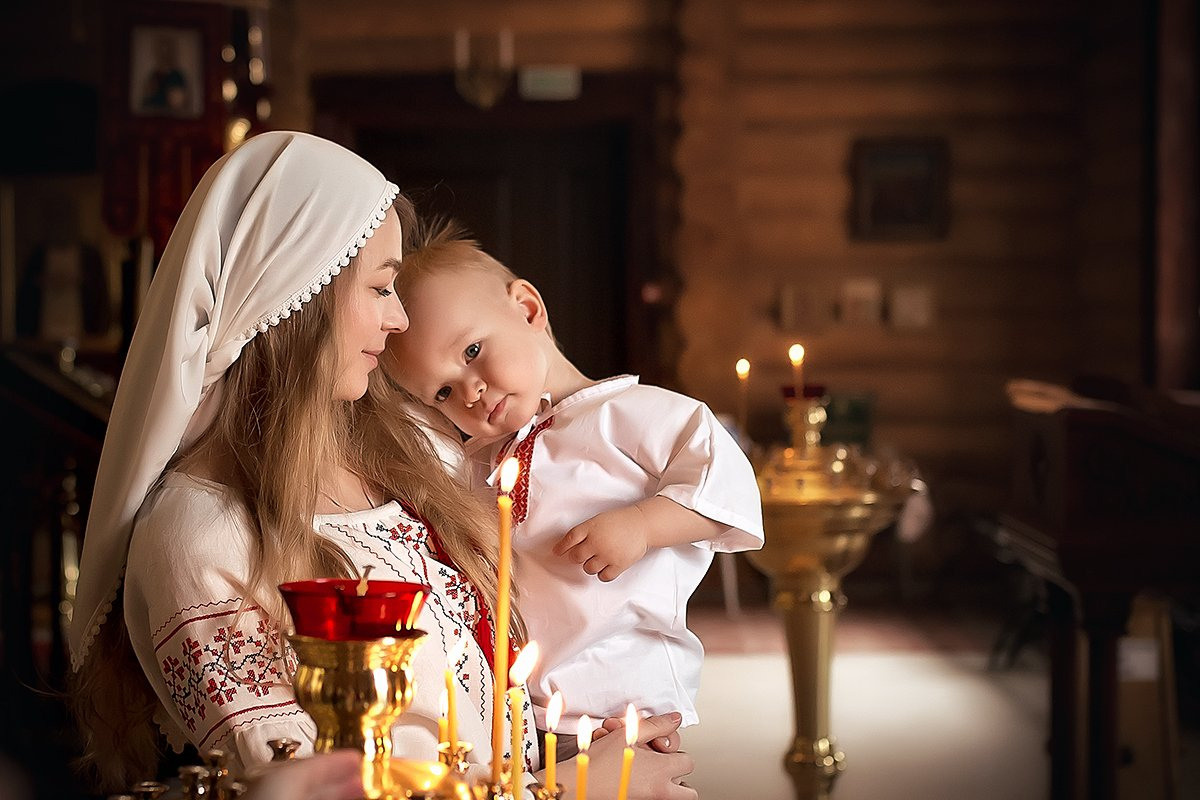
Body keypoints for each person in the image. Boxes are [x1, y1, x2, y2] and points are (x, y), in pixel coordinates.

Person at [69, 131, 694, 799]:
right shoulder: (199, 533)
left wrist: (568, 747)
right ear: (297, 295)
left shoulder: (415, 455)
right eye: (382, 287)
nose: (399, 320)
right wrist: (569, 793)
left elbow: (477, 702)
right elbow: (298, 788)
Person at [383, 220, 765, 750]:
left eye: (472, 351)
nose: (469, 391)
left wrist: (643, 524)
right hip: (521, 708)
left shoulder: (631, 414)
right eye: (443, 391)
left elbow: (728, 487)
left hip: (624, 699)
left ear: (528, 309)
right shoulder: (475, 462)